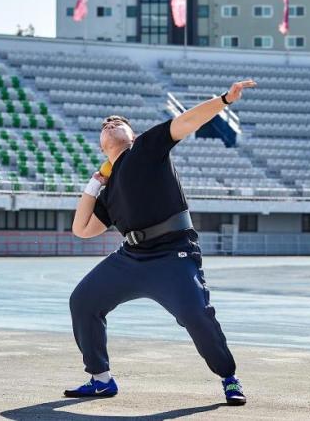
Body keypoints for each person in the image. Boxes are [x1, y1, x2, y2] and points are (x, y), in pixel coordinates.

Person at [65, 79, 257, 405]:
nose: (111, 124)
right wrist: (94, 185)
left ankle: (229, 377)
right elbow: (82, 229)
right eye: (106, 126)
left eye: (119, 123)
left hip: (173, 255)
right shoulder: (109, 192)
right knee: (83, 301)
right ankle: (101, 379)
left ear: (132, 135)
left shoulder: (146, 148)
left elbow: (187, 121)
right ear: (101, 146)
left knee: (196, 315)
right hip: (132, 258)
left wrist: (224, 100)